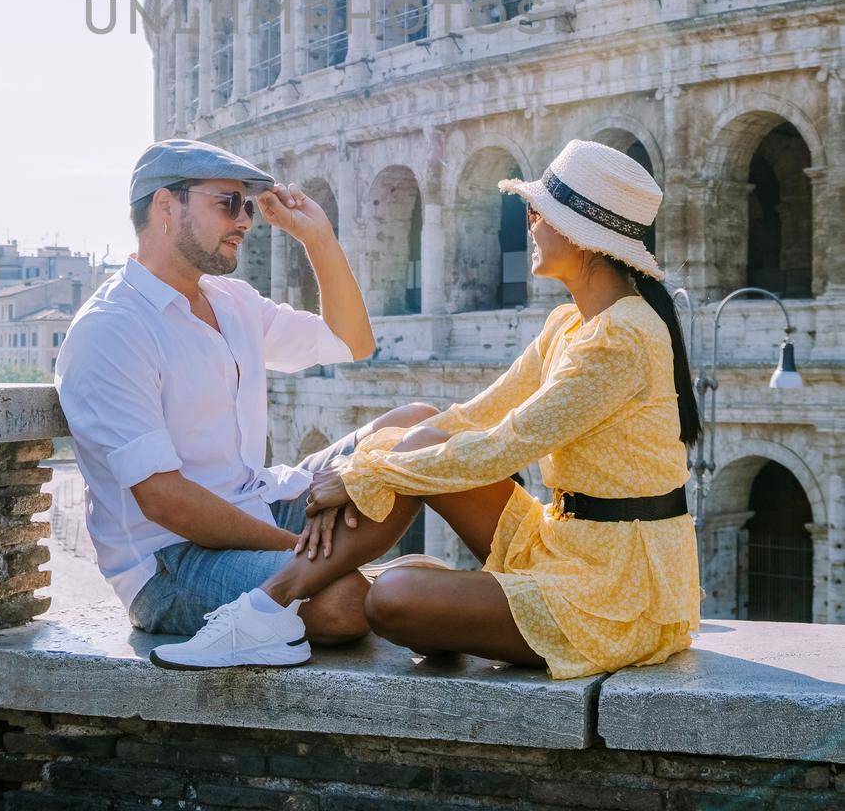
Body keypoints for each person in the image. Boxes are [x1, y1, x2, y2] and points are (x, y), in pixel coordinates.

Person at [153, 138, 701, 681]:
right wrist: (371, 464)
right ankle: (272, 611)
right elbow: (475, 416)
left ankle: (266, 606)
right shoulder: (570, 324)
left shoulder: (620, 339)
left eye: (539, 212)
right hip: (567, 544)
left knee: (391, 599)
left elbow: (506, 445)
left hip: (618, 587)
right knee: (418, 431)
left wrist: (362, 473)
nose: (528, 222)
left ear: (585, 238)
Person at [55, 138, 439, 669]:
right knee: (342, 602)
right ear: (166, 206)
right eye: (228, 204)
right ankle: (376, 581)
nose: (246, 221)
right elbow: (166, 500)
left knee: (421, 430)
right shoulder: (111, 329)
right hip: (170, 562)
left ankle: (356, 581)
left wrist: (318, 237)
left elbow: (353, 341)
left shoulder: (231, 302)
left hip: (258, 500)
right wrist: (301, 552)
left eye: (248, 205)